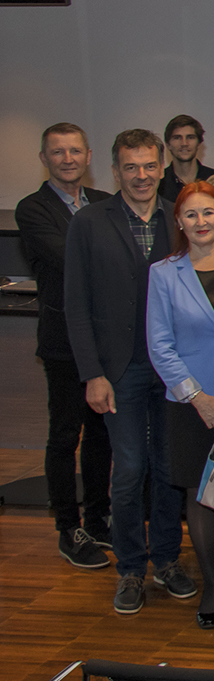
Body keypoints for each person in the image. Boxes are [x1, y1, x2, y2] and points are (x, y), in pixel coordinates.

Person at [65, 129, 193, 614]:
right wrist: (91, 373)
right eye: (131, 167)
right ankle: (131, 569)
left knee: (167, 468)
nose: (141, 175)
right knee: (130, 469)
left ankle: (166, 560)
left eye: (149, 166)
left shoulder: (178, 217)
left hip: (172, 368)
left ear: (162, 168)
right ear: (115, 171)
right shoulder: (89, 222)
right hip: (118, 370)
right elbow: (76, 304)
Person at [145, 181, 214, 626]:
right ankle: (211, 585)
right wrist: (200, 398)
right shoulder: (163, 273)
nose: (201, 222)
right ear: (178, 222)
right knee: (199, 494)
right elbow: (159, 345)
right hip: (189, 403)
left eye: (208, 213)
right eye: (190, 215)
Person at [17, 123, 114, 570]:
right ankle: (67, 527)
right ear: (45, 158)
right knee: (64, 436)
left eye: (76, 151)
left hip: (107, 339)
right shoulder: (32, 209)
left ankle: (97, 518)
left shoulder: (101, 204)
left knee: (101, 436)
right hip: (63, 343)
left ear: (88, 155)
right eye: (59, 152)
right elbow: (70, 257)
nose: (68, 159)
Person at [159, 115, 214, 202]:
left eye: (190, 137)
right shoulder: (159, 184)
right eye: (177, 138)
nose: (184, 143)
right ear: (168, 144)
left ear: (199, 143)